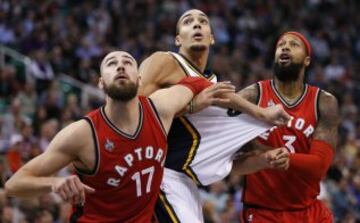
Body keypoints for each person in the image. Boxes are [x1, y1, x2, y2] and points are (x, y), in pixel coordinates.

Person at [4, 51, 234, 223]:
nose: (120, 67)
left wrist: (193, 105)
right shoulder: (82, 134)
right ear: (101, 83)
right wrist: (54, 183)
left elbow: (197, 81)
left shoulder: (161, 108)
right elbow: (14, 184)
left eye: (127, 62)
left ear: (140, 79)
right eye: (112, 64)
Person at [139, 9, 291, 222]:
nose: (196, 24)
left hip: (188, 184)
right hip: (158, 172)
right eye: (188, 21)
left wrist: (265, 160)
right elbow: (133, 110)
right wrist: (191, 105)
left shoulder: (213, 83)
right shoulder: (165, 61)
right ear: (177, 38)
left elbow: (229, 164)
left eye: (203, 21)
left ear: (212, 38)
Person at [239, 32, 339, 222]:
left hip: (310, 211)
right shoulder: (253, 95)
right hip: (264, 212)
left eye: (294, 45)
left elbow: (319, 166)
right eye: (281, 45)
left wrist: (275, 155)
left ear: (307, 60)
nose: (285, 47)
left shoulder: (324, 102)